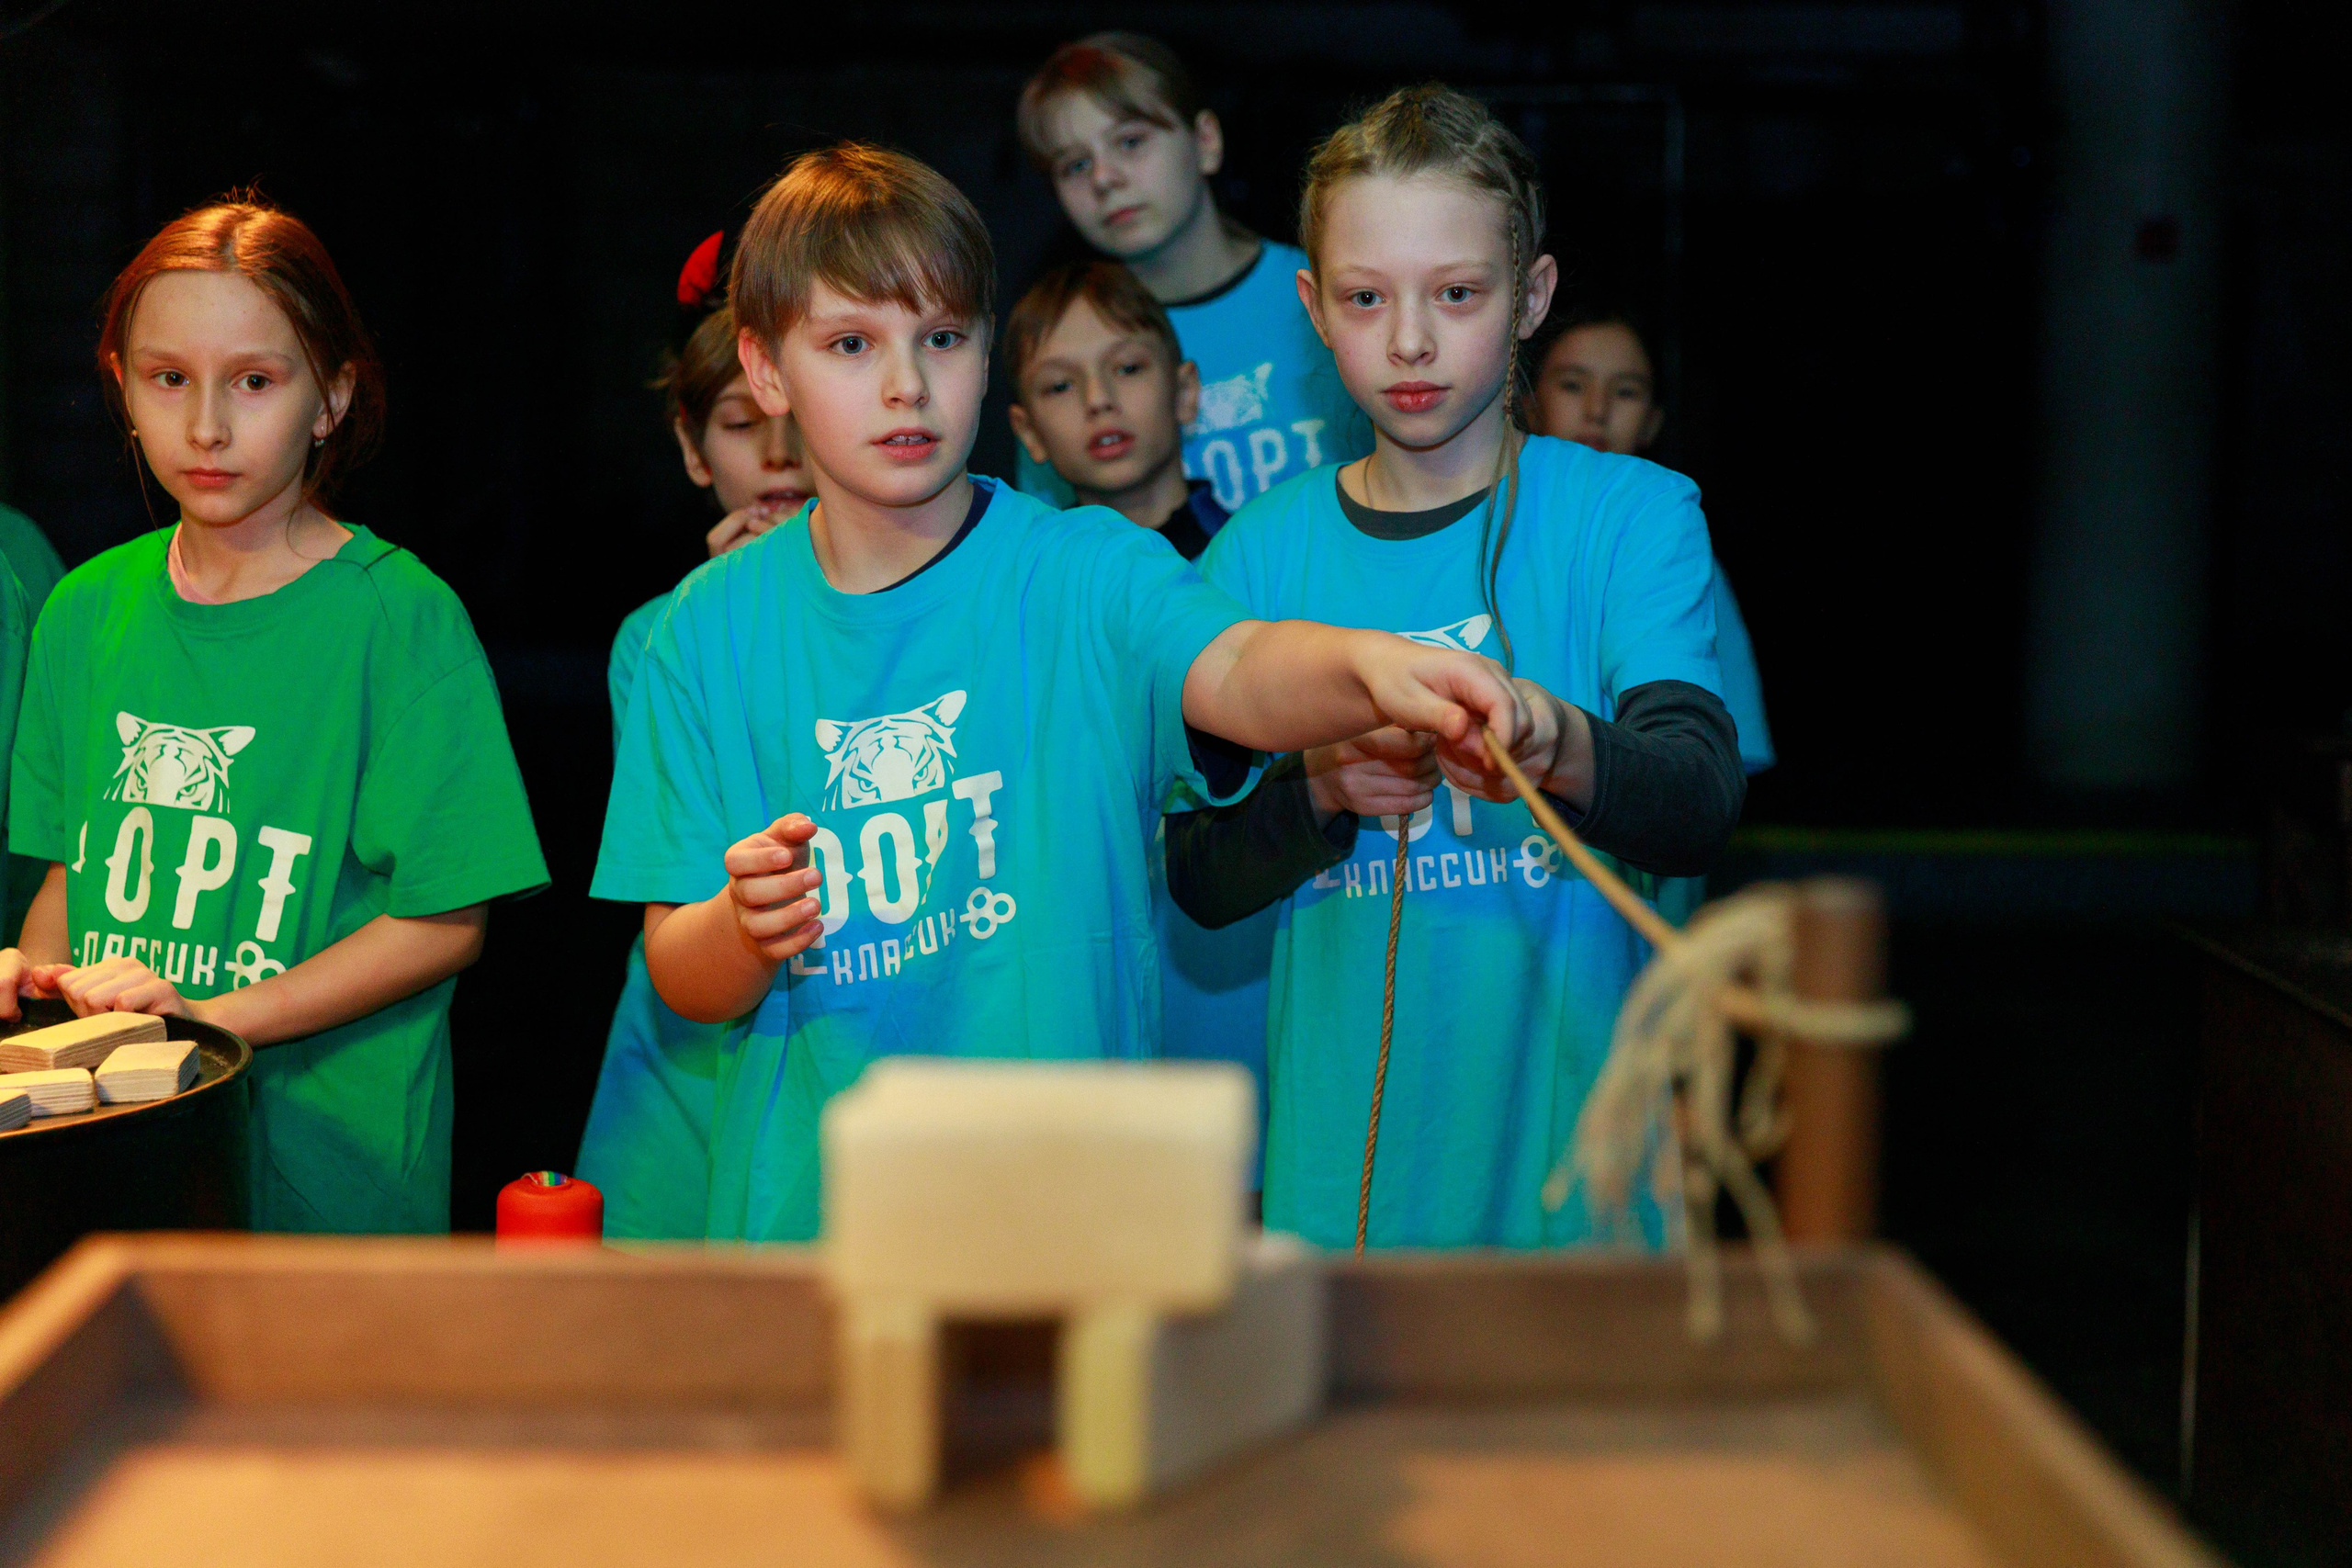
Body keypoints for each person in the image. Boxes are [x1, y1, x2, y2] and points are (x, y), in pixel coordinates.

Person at [591, 143, 1528, 1243]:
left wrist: (1369, 667)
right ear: (765, 371)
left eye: (941, 339)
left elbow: (1237, 670)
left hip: (1071, 1220)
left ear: (985, 354)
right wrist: (743, 933)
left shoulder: (1086, 570)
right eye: (851, 345)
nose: (906, 385)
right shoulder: (696, 636)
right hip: (817, 1233)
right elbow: (680, 970)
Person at [1166, 87, 1746, 1250]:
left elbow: (1697, 801)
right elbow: (1196, 868)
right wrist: (1322, 789)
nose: (1412, 341)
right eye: (1366, 298)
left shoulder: (1631, 516)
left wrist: (1550, 737)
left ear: (1530, 298)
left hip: (1587, 1209)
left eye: (1459, 294)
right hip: (1345, 1203)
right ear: (1312, 310)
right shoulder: (1258, 554)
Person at [0, 197, 548, 1234]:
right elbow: (72, 874)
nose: (207, 425)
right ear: (123, 387)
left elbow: (444, 921)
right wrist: (44, 985)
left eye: (254, 381)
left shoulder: (400, 618)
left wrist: (213, 1019)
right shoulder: (82, 613)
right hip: (130, 1168)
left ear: (331, 397)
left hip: (324, 1184)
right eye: (170, 380)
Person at [1001, 257, 1271, 1177]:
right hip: (1076, 996)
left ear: (1186, 389)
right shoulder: (1011, 604)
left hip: (1245, 979)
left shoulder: (1259, 572)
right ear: (1027, 432)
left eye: (1127, 369)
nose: (1100, 402)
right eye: (1060, 386)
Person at [574, 236, 813, 1239]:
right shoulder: (659, 638)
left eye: (793, 418)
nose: (774, 455)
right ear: (689, 446)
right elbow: (706, 850)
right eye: (735, 424)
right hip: (683, 1049)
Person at [1013, 32, 1366, 512]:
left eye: (1130, 141)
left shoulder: (1336, 291)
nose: (1103, 178)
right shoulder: (1060, 351)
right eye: (1074, 165)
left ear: (1205, 141)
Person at [1529, 305, 1772, 923]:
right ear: (1528, 400)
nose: (1597, 409)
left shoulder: (1679, 556)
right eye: (1572, 383)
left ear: (1655, 419)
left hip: (1642, 908)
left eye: (1627, 390)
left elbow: (1710, 781)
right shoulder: (1499, 540)